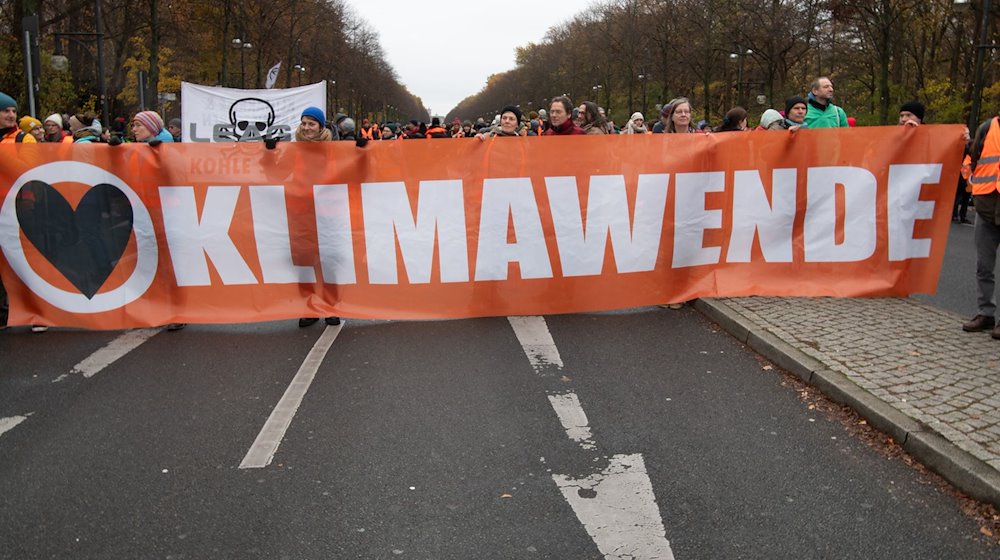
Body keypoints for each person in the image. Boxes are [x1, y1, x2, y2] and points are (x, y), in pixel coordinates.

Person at [289, 106, 340, 328]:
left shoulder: (333, 149)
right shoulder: (291, 149)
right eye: (304, 123)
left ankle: (331, 307)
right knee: (304, 263)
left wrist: (362, 151)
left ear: (321, 126)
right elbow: (272, 172)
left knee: (327, 263)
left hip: (327, 213)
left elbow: (352, 171)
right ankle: (309, 308)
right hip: (301, 212)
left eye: (312, 123)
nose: (307, 127)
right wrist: (267, 154)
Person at [962, 114, 1000, 337]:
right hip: (986, 206)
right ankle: (985, 313)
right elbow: (971, 159)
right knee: (984, 266)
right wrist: (970, 180)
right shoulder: (988, 127)